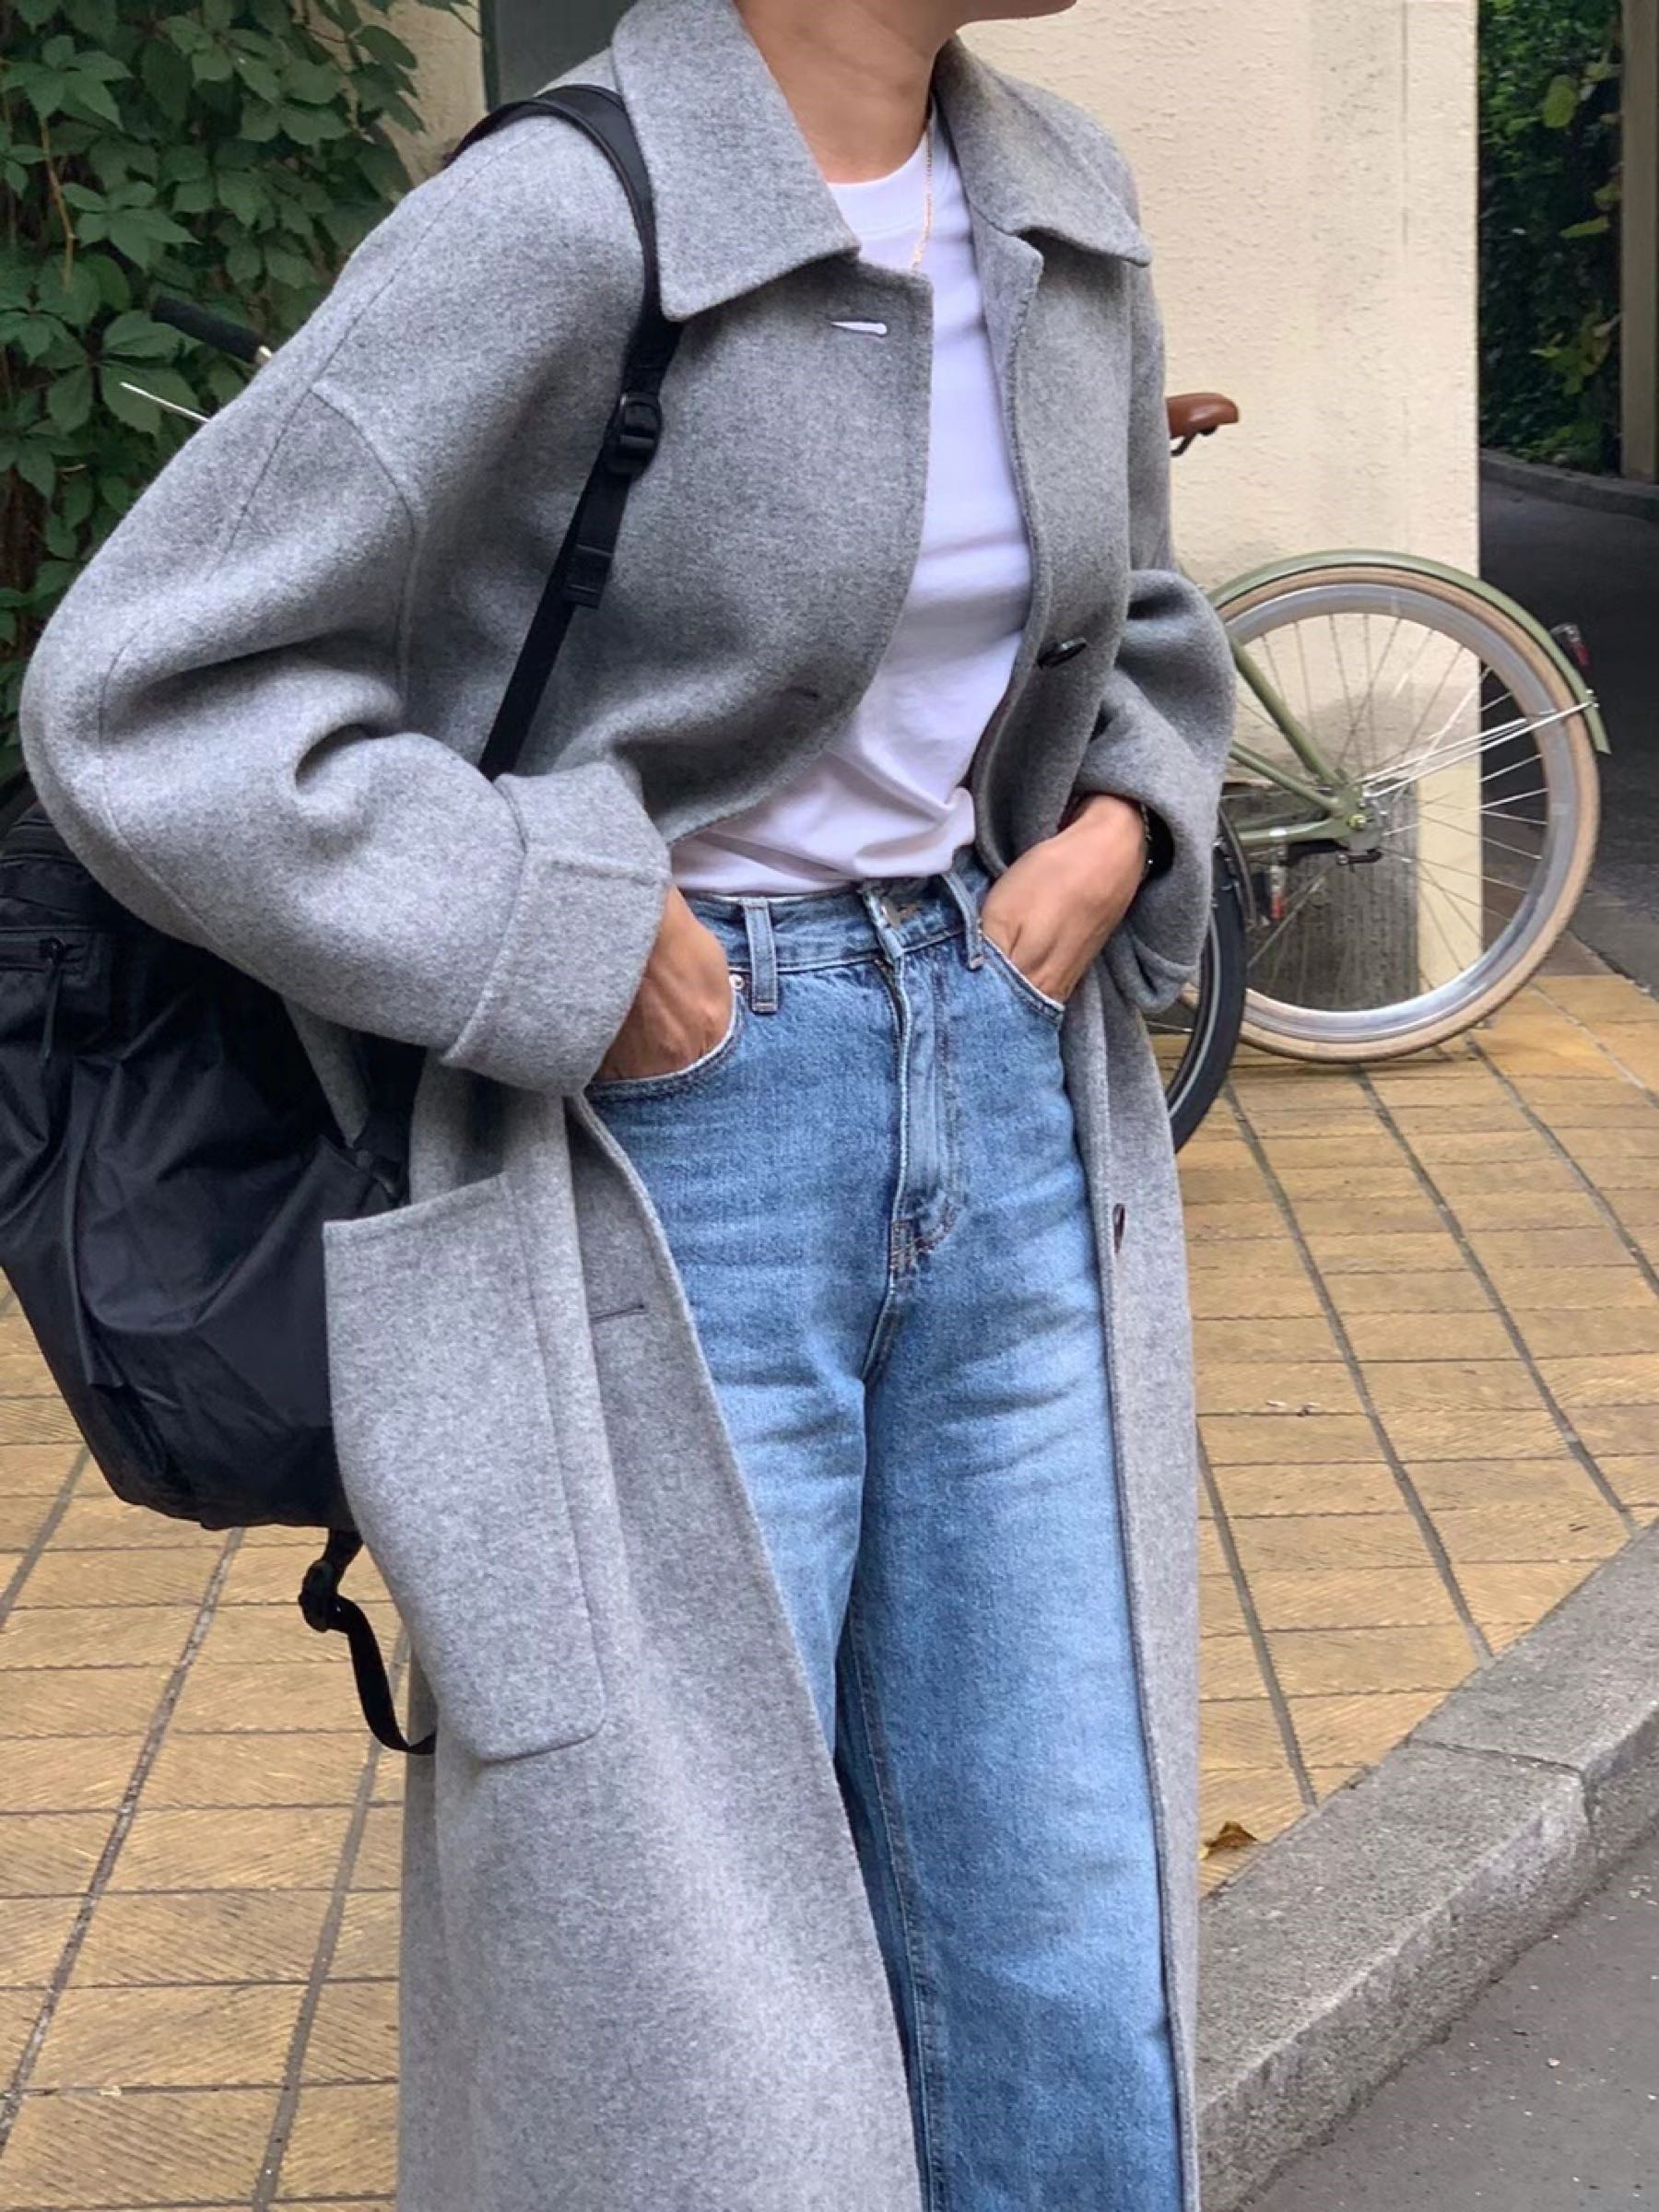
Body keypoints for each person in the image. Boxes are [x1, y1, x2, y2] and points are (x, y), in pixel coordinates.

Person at [18, 0, 1235, 2205]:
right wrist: (560, 931)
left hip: (1010, 1086)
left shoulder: (1062, 198)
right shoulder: (566, 218)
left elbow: (1132, 605)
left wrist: (1127, 822)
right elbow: (148, 692)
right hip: (666, 1147)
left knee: (1059, 1911)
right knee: (695, 1973)